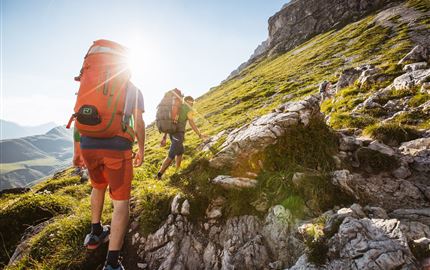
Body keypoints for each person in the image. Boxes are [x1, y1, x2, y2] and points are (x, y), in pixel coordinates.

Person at [80, 81, 145, 270]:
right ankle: (112, 263)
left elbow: (80, 115)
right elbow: (138, 122)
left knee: (97, 186)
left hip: (88, 144)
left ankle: (95, 234)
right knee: (121, 202)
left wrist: (78, 149)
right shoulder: (133, 89)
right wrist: (141, 149)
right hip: (117, 147)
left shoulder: (94, 83)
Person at [157, 95, 206, 179]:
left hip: (171, 133)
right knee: (171, 155)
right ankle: (159, 175)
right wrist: (199, 134)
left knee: (180, 151)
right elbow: (191, 123)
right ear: (189, 102)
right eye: (192, 102)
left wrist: (164, 137)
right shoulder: (188, 109)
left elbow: (170, 123)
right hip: (178, 134)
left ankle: (177, 170)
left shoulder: (178, 107)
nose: (193, 104)